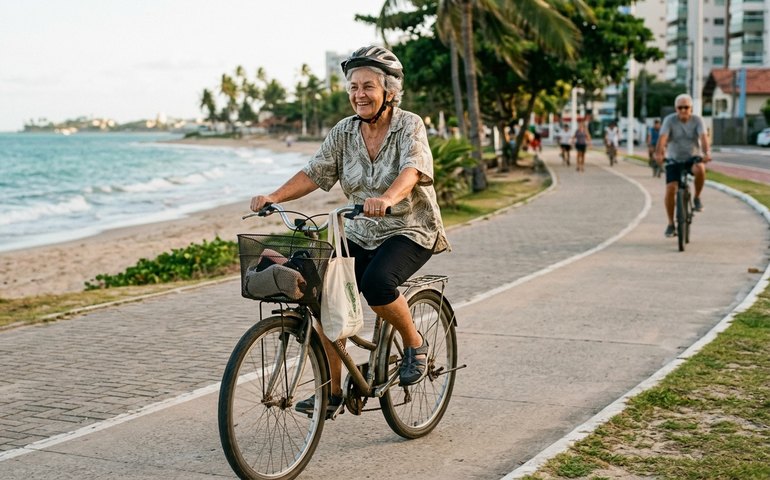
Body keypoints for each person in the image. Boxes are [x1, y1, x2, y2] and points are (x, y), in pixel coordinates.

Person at [249, 46, 450, 417]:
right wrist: (274, 196)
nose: (359, 94)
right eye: (353, 87)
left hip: (408, 228)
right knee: (321, 292)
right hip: (357, 231)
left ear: (389, 91)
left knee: (377, 284)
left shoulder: (410, 125)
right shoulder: (344, 131)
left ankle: (414, 343)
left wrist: (388, 197)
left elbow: (413, 170)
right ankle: (334, 392)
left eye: (368, 86)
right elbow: (316, 172)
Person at [654, 94, 711, 238]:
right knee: (671, 188)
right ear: (676, 108)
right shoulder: (669, 120)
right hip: (674, 159)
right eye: (680, 107)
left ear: (691, 108)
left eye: (686, 107)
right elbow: (663, 139)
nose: (683, 110)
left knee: (700, 169)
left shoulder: (698, 120)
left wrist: (707, 152)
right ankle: (670, 224)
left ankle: (697, 198)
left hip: (692, 158)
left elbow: (704, 138)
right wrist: (659, 154)